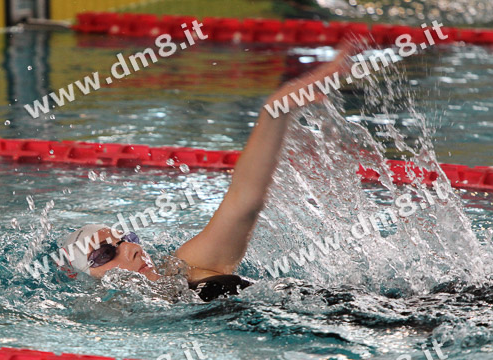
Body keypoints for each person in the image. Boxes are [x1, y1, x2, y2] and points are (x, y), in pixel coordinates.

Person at [58, 42, 357, 302]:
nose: (133, 250)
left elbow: (244, 202)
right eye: (105, 254)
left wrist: (275, 111)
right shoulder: (117, 321)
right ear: (87, 280)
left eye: (126, 238)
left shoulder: (185, 266)